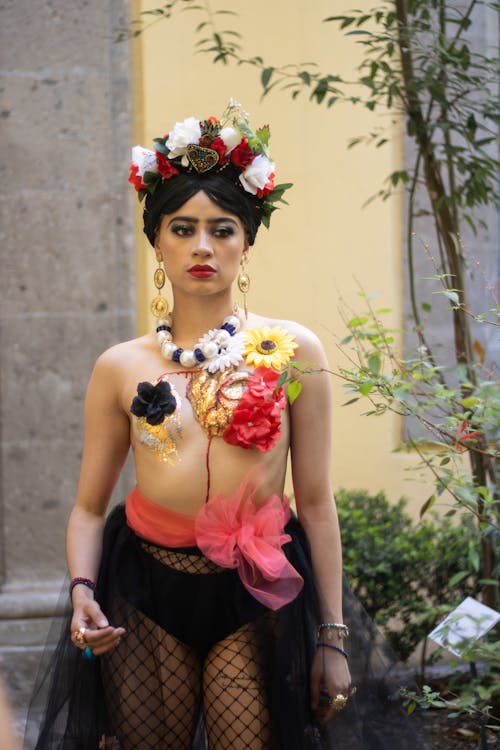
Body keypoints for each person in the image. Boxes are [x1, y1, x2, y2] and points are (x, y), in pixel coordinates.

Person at [28, 101, 424, 750]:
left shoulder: (295, 351)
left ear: (248, 240)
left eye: (223, 229)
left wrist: (333, 638)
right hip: (145, 590)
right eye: (182, 229)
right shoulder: (119, 367)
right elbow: (87, 508)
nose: (202, 246)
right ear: (156, 241)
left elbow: (317, 504)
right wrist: (80, 591)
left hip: (257, 594)